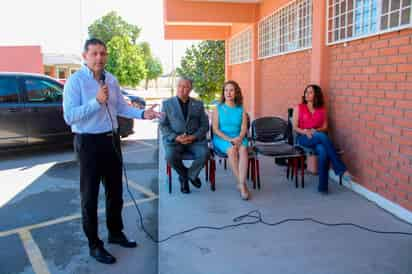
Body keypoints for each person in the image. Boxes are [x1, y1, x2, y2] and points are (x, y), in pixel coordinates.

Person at [63, 38, 160, 264]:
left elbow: (121, 107)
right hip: (88, 143)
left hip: (112, 141)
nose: (99, 58)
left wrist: (143, 114)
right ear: (85, 56)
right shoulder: (75, 82)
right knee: (90, 196)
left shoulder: (112, 79)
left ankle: (115, 233)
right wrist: (96, 102)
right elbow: (69, 117)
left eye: (103, 53)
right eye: (94, 53)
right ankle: (94, 245)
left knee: (115, 193)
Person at [292, 84, 349, 194]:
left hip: (316, 137)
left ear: (316, 94)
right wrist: (306, 131)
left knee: (323, 150)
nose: (307, 94)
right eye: (306, 92)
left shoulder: (322, 109)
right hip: (303, 137)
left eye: (310, 92)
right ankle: (340, 168)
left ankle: (323, 187)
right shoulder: (298, 107)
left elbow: (325, 126)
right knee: (322, 136)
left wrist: (315, 130)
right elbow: (294, 127)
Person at [160, 77, 209, 194]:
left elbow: (204, 125)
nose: (182, 89)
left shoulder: (198, 104)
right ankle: (184, 176)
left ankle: (190, 175)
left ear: (190, 89)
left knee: (205, 153)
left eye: (185, 86)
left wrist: (193, 137)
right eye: (180, 86)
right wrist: (176, 137)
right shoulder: (167, 104)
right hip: (175, 141)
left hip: (195, 140)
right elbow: (163, 125)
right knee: (170, 156)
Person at [212, 80, 251, 200]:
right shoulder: (218, 109)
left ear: (236, 93)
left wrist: (239, 138)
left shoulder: (241, 109)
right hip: (222, 138)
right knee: (232, 150)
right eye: (226, 90)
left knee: (243, 149)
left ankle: (240, 183)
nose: (228, 93)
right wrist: (230, 140)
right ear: (223, 93)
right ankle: (242, 184)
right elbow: (215, 129)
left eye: (231, 90)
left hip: (238, 137)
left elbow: (244, 128)